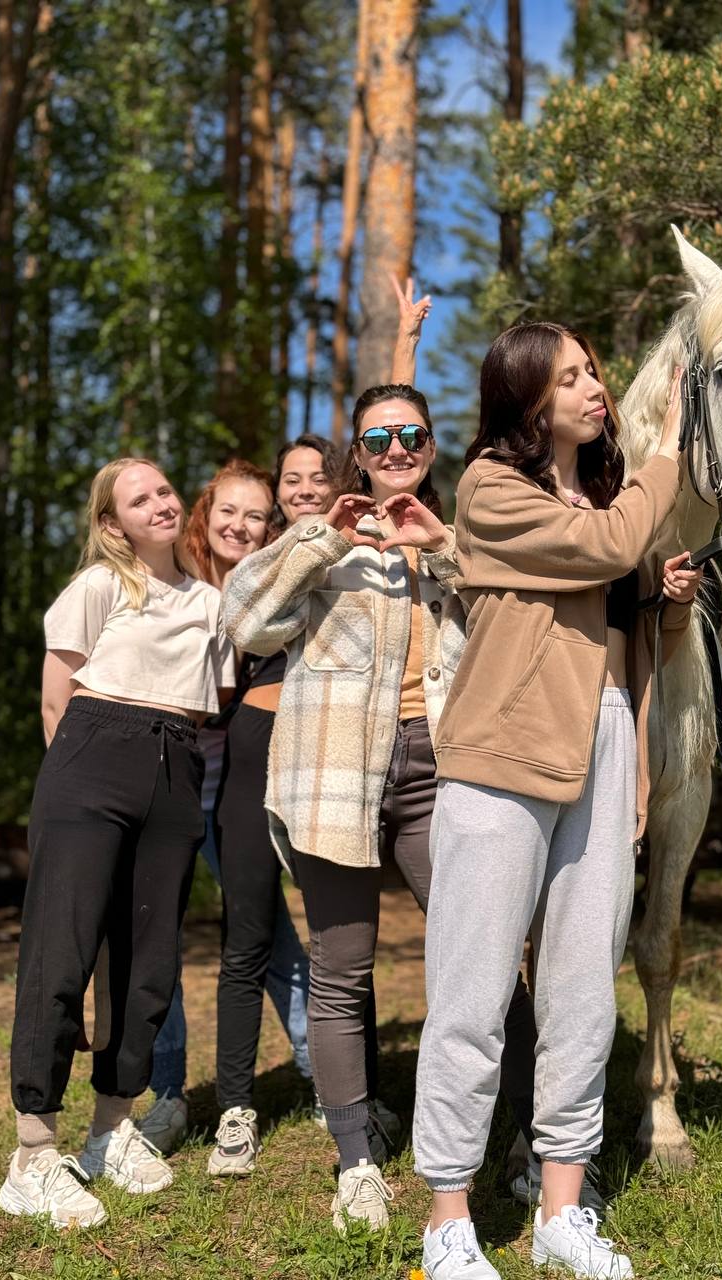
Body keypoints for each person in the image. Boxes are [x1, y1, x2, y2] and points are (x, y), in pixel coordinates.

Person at [413, 325, 702, 1280]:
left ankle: (559, 1209)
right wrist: (668, 453)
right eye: (568, 376)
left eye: (592, 371)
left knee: (583, 991)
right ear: (528, 401)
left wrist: (663, 600)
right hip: (504, 747)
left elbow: (623, 620)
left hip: (605, 730)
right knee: (473, 992)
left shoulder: (609, 497)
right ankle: (448, 1216)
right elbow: (610, 544)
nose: (594, 387)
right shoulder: (492, 489)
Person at [222, 384, 539, 1231]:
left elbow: (519, 626)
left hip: (445, 774)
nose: (398, 448)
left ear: (432, 444)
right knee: (340, 972)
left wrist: (440, 551)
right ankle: (356, 1159)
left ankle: (531, 1142)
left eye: (413, 434)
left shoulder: (460, 531)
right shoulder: (318, 540)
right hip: (334, 775)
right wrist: (324, 538)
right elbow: (245, 621)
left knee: (487, 957)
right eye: (379, 437)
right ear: (355, 454)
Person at [0, 458, 234, 1229]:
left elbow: (216, 698)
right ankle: (33, 1150)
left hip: (176, 767)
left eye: (165, 490)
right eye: (139, 499)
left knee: (146, 965)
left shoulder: (208, 602)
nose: (160, 504)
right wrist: (77, 790)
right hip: (91, 758)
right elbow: (54, 699)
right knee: (62, 955)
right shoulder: (99, 587)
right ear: (112, 523)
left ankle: (108, 1130)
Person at [138, 457, 318, 1154]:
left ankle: (323, 1072)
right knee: (156, 942)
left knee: (270, 938)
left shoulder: (266, 585)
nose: (242, 526)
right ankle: (166, 1093)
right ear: (203, 519)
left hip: (234, 787)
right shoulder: (175, 588)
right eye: (229, 513)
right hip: (165, 787)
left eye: (257, 515)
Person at [204, 434, 350, 1175]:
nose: (300, 487)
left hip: (329, 747)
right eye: (288, 479)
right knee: (247, 936)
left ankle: (347, 1098)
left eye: (313, 476)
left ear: (336, 484)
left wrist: (405, 347)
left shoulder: (356, 543)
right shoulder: (258, 561)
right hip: (257, 740)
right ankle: (235, 1110)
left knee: (337, 941)